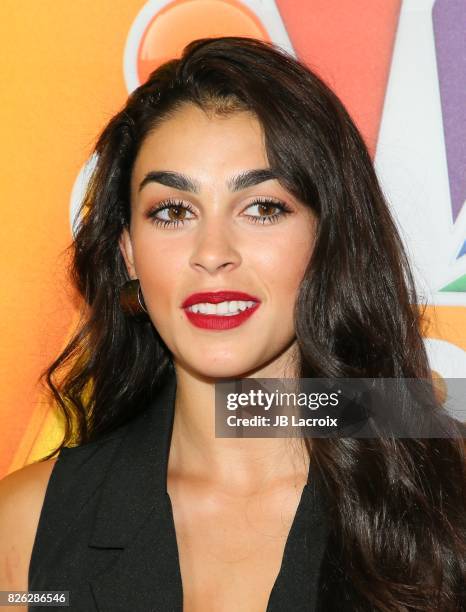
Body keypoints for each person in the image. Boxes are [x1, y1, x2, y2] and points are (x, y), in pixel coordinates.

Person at [0, 36, 464, 612]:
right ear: (129, 256)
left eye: (262, 208)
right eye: (173, 211)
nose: (213, 252)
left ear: (329, 241)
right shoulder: (25, 534)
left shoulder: (447, 500)